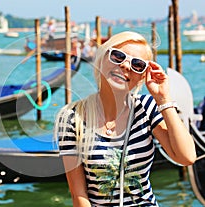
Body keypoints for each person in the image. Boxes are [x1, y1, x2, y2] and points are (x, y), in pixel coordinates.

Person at [54, 31, 196, 206]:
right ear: (102, 58)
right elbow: (79, 195)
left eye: (137, 64)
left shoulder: (146, 108)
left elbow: (187, 157)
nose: (126, 65)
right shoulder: (71, 118)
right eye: (118, 56)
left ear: (142, 77)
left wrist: (163, 99)